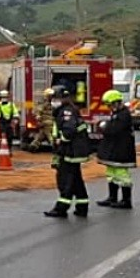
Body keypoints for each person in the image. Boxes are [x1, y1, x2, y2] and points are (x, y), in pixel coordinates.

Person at [44, 84, 92, 218]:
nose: (52, 101)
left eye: (54, 98)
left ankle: (61, 208)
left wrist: (61, 140)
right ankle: (82, 206)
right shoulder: (65, 110)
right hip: (72, 151)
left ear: (62, 98)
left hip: (70, 152)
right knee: (76, 180)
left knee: (66, 180)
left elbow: (69, 130)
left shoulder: (66, 112)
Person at [96, 89, 136, 209]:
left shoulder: (123, 115)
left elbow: (113, 130)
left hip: (121, 151)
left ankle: (126, 200)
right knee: (111, 173)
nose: (109, 107)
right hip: (115, 150)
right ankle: (112, 197)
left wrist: (104, 126)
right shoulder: (117, 113)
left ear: (116, 102)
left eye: (110, 105)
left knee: (122, 175)